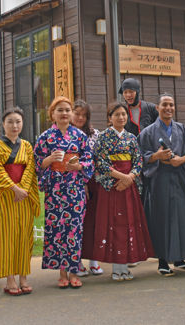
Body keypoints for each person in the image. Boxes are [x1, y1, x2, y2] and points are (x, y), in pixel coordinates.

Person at [33, 96, 94, 289]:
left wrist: (78, 166)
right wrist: (50, 159)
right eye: (60, 110)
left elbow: (89, 161)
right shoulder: (45, 137)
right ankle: (62, 273)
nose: (64, 113)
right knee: (57, 230)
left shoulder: (80, 136)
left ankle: (74, 270)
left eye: (68, 110)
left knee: (75, 230)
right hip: (55, 189)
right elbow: (37, 164)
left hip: (75, 188)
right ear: (52, 113)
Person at [90, 102, 155, 280]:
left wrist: (130, 177)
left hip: (128, 187)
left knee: (129, 225)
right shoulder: (103, 138)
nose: (121, 118)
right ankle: (116, 268)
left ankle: (125, 266)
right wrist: (121, 177)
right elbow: (101, 162)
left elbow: (138, 161)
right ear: (109, 118)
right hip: (112, 186)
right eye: (117, 114)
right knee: (113, 225)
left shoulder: (132, 138)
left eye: (124, 114)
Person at [139, 93, 185, 276]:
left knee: (181, 217)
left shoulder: (181, 129)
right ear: (157, 108)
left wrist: (181, 159)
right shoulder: (147, 132)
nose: (168, 108)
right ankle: (163, 260)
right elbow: (140, 157)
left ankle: (180, 258)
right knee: (162, 219)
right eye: (164, 105)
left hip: (178, 178)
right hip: (159, 180)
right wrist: (157, 157)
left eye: (171, 105)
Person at [0, 107, 40, 296]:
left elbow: (30, 169)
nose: (14, 125)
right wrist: (13, 188)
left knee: (24, 237)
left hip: (23, 197)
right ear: (3, 124)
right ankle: (10, 279)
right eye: (10, 122)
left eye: (18, 121)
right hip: (5, 196)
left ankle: (23, 276)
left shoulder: (26, 146)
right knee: (7, 237)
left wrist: (23, 189)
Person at [72, 99, 105, 277]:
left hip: (93, 182)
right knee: (77, 223)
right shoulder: (65, 134)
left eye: (84, 115)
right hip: (73, 182)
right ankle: (76, 260)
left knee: (93, 221)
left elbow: (98, 159)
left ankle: (94, 259)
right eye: (77, 113)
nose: (80, 117)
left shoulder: (95, 134)